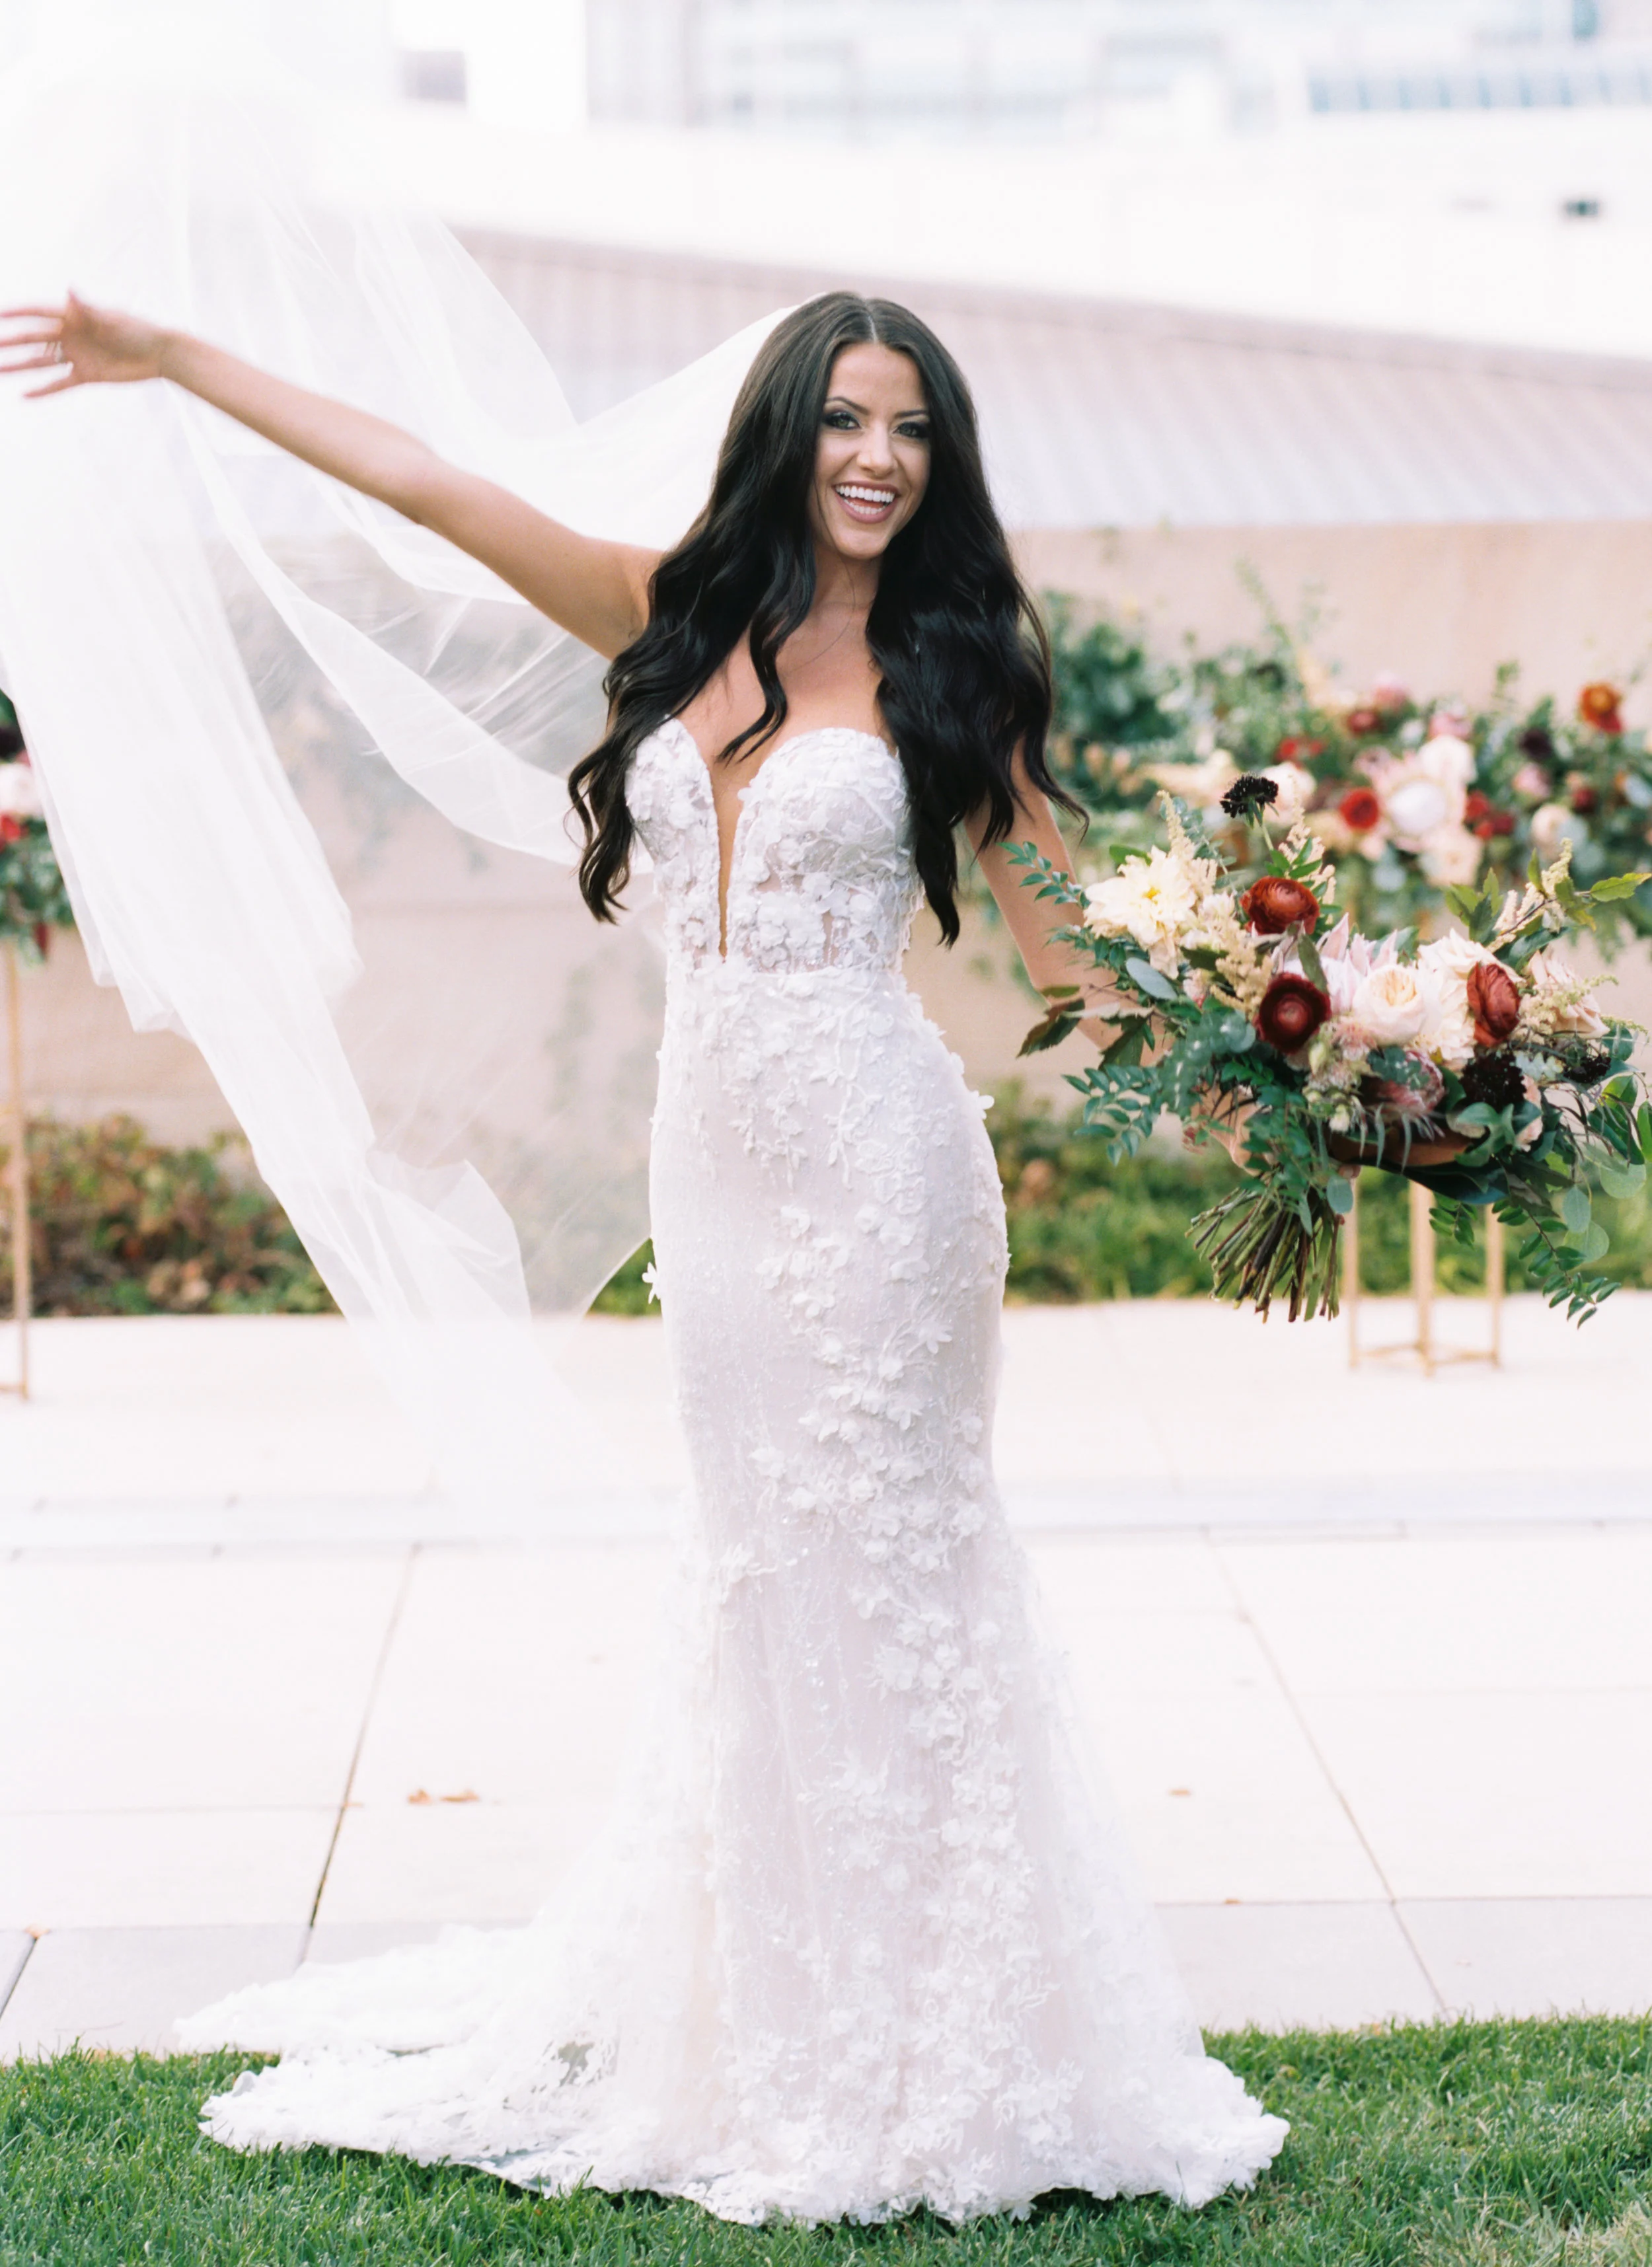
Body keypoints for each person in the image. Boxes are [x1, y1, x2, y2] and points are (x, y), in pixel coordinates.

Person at [0, 287, 1286, 2223]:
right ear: (787, 432)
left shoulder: (960, 669)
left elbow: (1072, 961)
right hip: (723, 1187)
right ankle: (777, 2019)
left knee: (902, 1569)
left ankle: (945, 2040)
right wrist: (178, 361)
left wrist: (1306, 1058)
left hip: (886, 1169)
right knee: (761, 1577)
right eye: (848, 419)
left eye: (912, 430)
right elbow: (424, 485)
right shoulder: (663, 611)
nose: (878, 457)